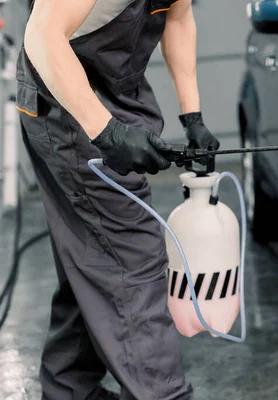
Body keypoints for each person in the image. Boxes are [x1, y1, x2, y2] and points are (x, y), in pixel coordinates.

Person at [16, 0, 220, 398]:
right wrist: (106, 132)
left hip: (111, 95)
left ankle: (69, 390)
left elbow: (178, 17)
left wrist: (192, 117)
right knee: (131, 256)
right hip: (64, 105)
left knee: (93, 251)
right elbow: (42, 36)